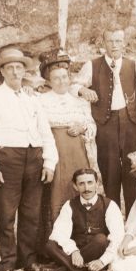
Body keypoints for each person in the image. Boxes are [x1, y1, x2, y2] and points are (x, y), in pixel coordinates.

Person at [0, 48, 58, 271]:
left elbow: (45, 131)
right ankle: (8, 263)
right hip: (7, 160)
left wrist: (49, 162)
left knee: (31, 213)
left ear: (24, 70)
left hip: (34, 158)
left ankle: (28, 260)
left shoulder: (33, 98)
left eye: (18, 67)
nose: (14, 71)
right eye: (9, 67)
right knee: (6, 214)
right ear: (2, 71)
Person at [70, 24, 136, 215]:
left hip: (131, 124)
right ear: (104, 43)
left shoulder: (133, 65)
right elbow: (73, 86)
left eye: (118, 40)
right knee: (110, 175)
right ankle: (113, 219)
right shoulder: (91, 65)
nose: (114, 45)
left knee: (133, 172)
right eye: (110, 41)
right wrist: (83, 89)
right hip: (105, 125)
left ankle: (133, 220)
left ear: (124, 43)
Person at [38, 49, 98, 224]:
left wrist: (82, 127)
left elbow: (92, 126)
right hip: (55, 155)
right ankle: (57, 238)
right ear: (49, 81)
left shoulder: (80, 101)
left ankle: (83, 234)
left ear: (69, 78)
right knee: (58, 192)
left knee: (80, 189)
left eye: (64, 77)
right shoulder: (41, 100)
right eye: (56, 78)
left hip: (78, 154)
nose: (61, 81)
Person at [45, 168, 124, 271]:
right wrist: (73, 251)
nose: (86, 188)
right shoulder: (70, 205)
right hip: (77, 252)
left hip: (97, 250)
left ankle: (66, 268)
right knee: (50, 245)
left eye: (90, 183)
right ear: (75, 186)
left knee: (101, 239)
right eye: (81, 184)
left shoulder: (109, 205)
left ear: (97, 183)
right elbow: (58, 233)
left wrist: (102, 261)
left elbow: (118, 237)